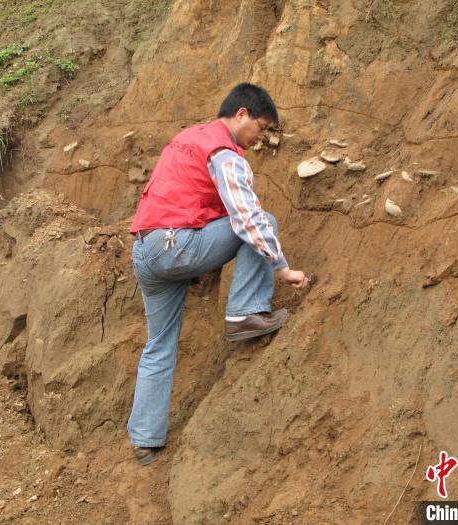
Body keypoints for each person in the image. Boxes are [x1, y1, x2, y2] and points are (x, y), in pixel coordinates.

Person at [127, 83, 309, 465]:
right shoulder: (225, 153)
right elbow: (246, 217)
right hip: (175, 247)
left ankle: (145, 441)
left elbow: (183, 196)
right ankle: (245, 312)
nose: (261, 138)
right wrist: (282, 267)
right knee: (264, 220)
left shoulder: (189, 137)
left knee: (159, 344)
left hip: (146, 249)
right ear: (241, 114)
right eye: (260, 127)